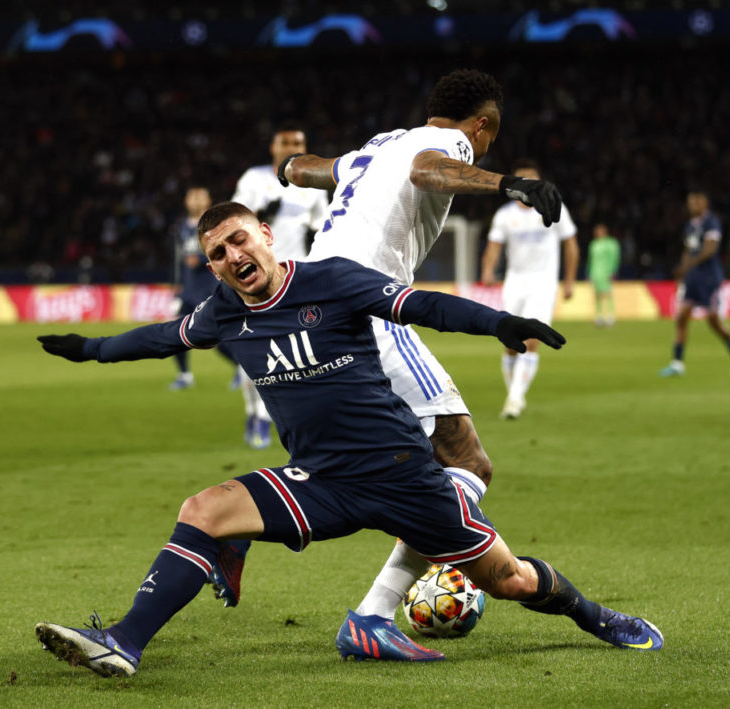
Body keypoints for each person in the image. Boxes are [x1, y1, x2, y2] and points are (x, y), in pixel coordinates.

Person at [34, 202, 663, 677]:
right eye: (217, 254)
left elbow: (424, 306)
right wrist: (90, 350)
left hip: (404, 477)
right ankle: (125, 641)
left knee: (512, 582)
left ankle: (596, 617)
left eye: (238, 240)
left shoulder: (331, 280)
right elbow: (162, 337)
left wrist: (500, 322)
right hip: (321, 480)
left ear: (265, 237)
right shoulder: (224, 309)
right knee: (202, 510)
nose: (231, 257)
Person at [249, 69, 567, 659]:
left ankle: (236, 533)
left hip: (310, 305)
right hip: (366, 306)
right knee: (467, 461)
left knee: (357, 464)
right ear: (483, 124)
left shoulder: (381, 143)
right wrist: (507, 184)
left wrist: (289, 169)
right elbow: (430, 171)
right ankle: (373, 613)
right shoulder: (450, 146)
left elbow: (319, 168)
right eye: (488, 136)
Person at [231, 123, 330, 449]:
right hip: (253, 276)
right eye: (285, 142)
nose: (291, 146)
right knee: (255, 351)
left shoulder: (314, 183)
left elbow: (322, 229)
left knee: (295, 353)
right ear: (273, 147)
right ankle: (254, 411)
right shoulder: (254, 179)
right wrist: (258, 214)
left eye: (297, 141)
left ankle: (267, 416)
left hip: (294, 278)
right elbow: (230, 224)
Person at [479, 160, 579, 420]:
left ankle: (514, 399)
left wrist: (569, 280)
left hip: (543, 283)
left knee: (532, 339)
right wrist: (488, 270)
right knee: (511, 343)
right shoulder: (505, 215)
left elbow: (570, 244)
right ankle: (515, 394)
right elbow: (493, 247)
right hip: (515, 283)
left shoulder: (554, 207)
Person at [660, 190, 730, 378]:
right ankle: (677, 363)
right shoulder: (690, 226)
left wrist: (689, 265)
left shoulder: (711, 222)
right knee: (682, 317)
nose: (693, 206)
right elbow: (688, 250)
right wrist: (682, 270)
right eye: (690, 202)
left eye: (697, 202)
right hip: (693, 278)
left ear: (705, 204)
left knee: (713, 322)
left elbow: (711, 249)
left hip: (709, 277)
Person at [168, 187, 213, 390]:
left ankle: (240, 369)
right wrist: (176, 285)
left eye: (200, 197)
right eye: (192, 197)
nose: (195, 201)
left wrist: (203, 259)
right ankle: (185, 375)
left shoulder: (215, 224)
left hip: (209, 288)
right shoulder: (181, 227)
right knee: (176, 332)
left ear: (208, 200)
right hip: (187, 289)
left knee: (220, 338)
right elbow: (178, 259)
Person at [587, 222, 621, 328]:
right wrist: (590, 273)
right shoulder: (593, 244)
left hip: (606, 272)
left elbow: (615, 257)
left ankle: (610, 315)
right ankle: (599, 316)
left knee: (607, 293)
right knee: (597, 294)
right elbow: (590, 260)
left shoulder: (611, 243)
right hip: (596, 272)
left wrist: (613, 271)